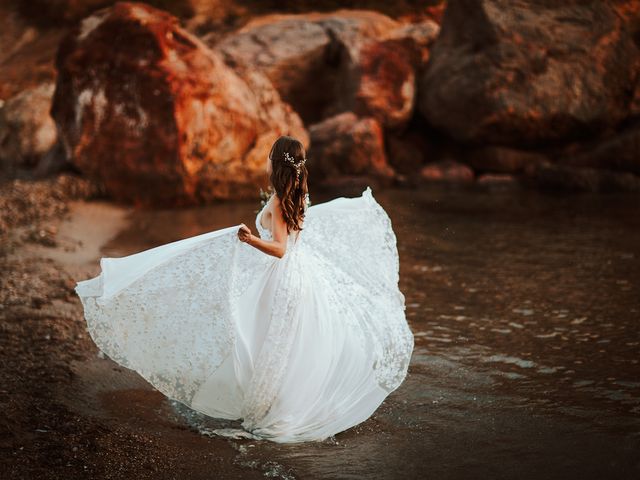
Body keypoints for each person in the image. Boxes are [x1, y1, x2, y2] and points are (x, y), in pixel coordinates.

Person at [75, 135, 414, 443]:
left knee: (267, 344)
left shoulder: (282, 200)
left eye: (269, 158)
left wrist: (249, 239)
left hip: (282, 278)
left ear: (276, 162)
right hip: (298, 277)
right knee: (282, 347)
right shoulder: (298, 194)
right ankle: (276, 402)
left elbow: (280, 248)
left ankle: (272, 409)